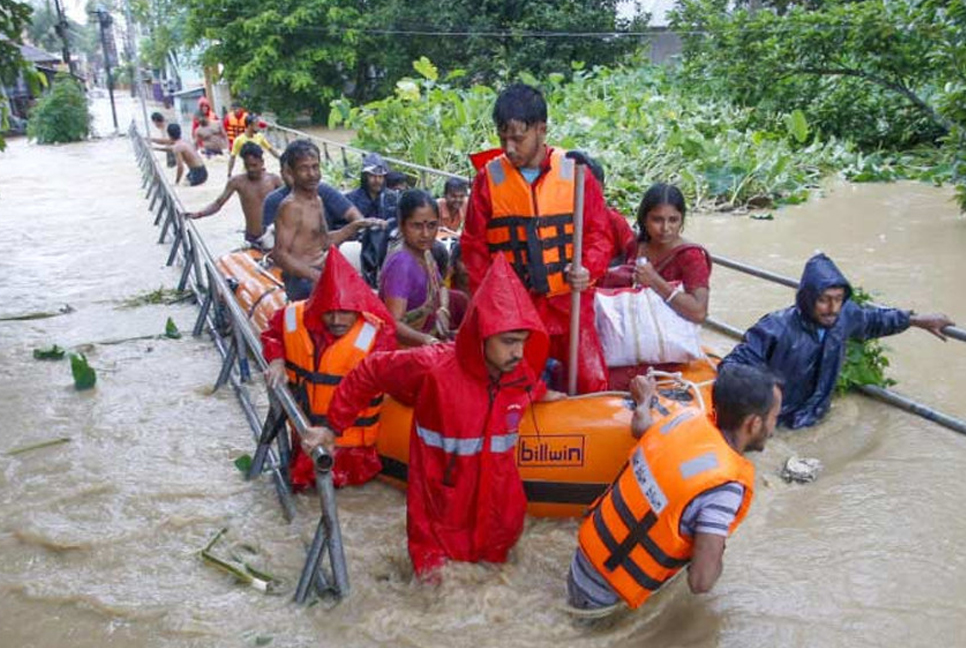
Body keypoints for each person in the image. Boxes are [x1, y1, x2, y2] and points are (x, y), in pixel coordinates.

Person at [302, 256, 564, 577]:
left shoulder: (519, 376)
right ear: (481, 335)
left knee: (493, 597)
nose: (518, 353)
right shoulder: (434, 367)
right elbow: (370, 371)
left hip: (498, 520)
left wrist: (545, 394)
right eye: (509, 342)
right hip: (439, 520)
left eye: (523, 342)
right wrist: (331, 427)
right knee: (435, 598)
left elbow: (522, 387)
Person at [566, 364, 782, 613]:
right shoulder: (725, 489)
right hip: (604, 600)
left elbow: (640, 427)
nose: (774, 427)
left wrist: (645, 400)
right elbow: (701, 582)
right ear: (754, 424)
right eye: (774, 417)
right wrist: (718, 550)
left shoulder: (684, 419)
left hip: (581, 563)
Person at [461, 83, 612, 393]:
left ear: (541, 130)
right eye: (503, 139)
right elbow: (474, 249)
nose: (509, 148)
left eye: (518, 138)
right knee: (515, 384)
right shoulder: (488, 180)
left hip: (568, 303)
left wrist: (588, 269)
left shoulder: (576, 173)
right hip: (516, 308)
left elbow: (599, 236)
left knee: (589, 381)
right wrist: (490, 304)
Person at [721, 253, 955, 429]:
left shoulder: (845, 315)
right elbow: (732, 367)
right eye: (824, 300)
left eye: (838, 299)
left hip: (816, 414)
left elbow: (875, 320)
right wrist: (767, 393)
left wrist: (916, 320)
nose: (832, 308)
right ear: (807, 298)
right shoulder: (775, 328)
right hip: (777, 421)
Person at [261, 247, 397, 489]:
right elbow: (271, 334)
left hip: (353, 449)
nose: (336, 320)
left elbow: (368, 387)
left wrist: (332, 429)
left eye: (345, 312)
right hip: (306, 437)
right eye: (329, 313)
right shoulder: (292, 316)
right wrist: (276, 359)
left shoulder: (378, 335)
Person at [380, 190, 467, 346]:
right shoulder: (402, 264)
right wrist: (429, 341)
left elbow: (441, 286)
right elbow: (393, 323)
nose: (426, 234)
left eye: (432, 225)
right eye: (417, 226)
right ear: (402, 226)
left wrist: (444, 309)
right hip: (403, 352)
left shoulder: (425, 254)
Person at [185, 143, 283, 247]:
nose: (251, 169)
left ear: (262, 162)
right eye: (247, 166)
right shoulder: (237, 182)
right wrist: (199, 214)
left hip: (272, 237)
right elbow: (218, 203)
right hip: (251, 237)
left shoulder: (274, 180)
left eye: (254, 165)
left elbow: (290, 200)